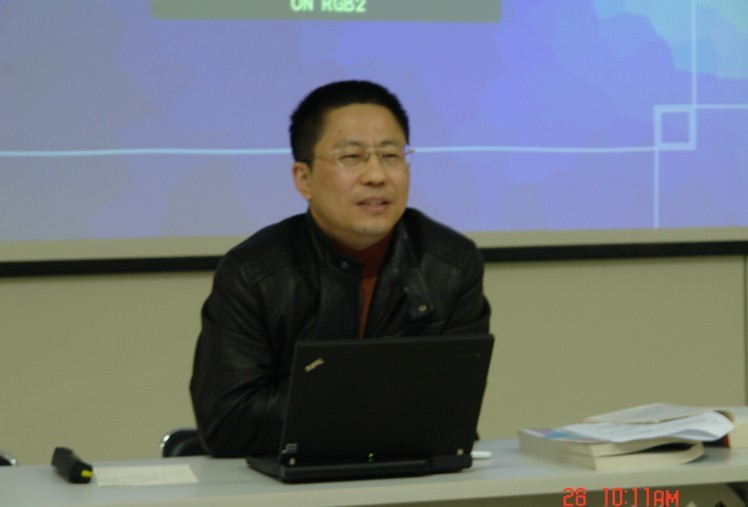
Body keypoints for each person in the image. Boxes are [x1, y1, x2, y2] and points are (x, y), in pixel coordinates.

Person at [190, 80, 491, 457]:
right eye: (352, 156)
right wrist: (380, 401)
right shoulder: (253, 273)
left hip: (409, 480)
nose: (377, 175)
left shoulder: (452, 264)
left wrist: (334, 401)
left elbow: (451, 414)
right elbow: (228, 423)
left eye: (391, 155)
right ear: (304, 179)